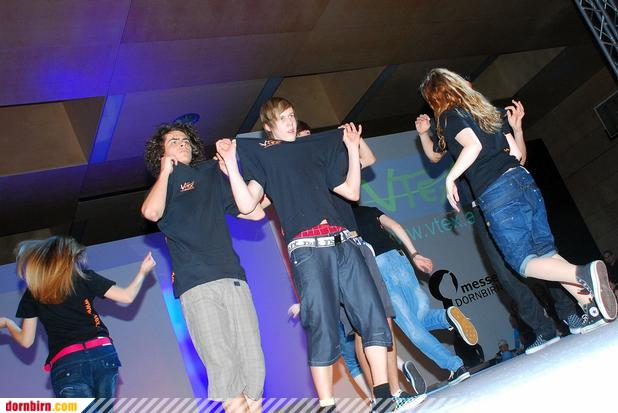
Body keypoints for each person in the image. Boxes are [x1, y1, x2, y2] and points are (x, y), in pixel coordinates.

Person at [217, 97, 425, 412]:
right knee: (322, 326)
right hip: (308, 250)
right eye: (282, 118)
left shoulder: (314, 150)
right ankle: (327, 406)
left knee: (372, 316)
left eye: (292, 115)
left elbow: (352, 192)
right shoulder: (266, 160)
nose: (290, 122)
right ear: (269, 126)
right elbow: (247, 205)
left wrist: (352, 149)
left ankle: (384, 398)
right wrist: (232, 165)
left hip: (344, 243)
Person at [418, 68, 617, 336]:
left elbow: (473, 146)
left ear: (434, 97)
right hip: (522, 181)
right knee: (546, 253)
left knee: (523, 263)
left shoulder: (449, 116)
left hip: (497, 192)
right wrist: (518, 129)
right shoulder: (487, 112)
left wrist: (450, 179)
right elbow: (518, 155)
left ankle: (582, 273)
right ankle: (589, 305)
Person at [141, 123, 266, 413]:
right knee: (225, 370)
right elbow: (151, 212)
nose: (183, 143)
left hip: (232, 276)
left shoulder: (209, 173)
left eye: (185, 139)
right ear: (161, 153)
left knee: (254, 368)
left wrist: (231, 166)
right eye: (174, 141)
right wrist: (165, 172)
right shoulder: (163, 188)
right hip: (196, 285)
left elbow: (254, 212)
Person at [0, 236, 155, 398]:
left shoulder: (34, 293)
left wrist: (7, 323)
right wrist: (143, 272)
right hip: (103, 353)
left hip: (68, 361)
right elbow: (127, 296)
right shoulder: (82, 277)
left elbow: (26, 341)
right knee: (104, 409)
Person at [353, 205, 478, 385]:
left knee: (413, 329)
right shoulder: (368, 210)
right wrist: (415, 253)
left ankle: (455, 366)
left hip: (377, 268)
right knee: (421, 316)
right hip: (399, 257)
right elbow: (396, 226)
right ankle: (446, 317)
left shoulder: (342, 220)